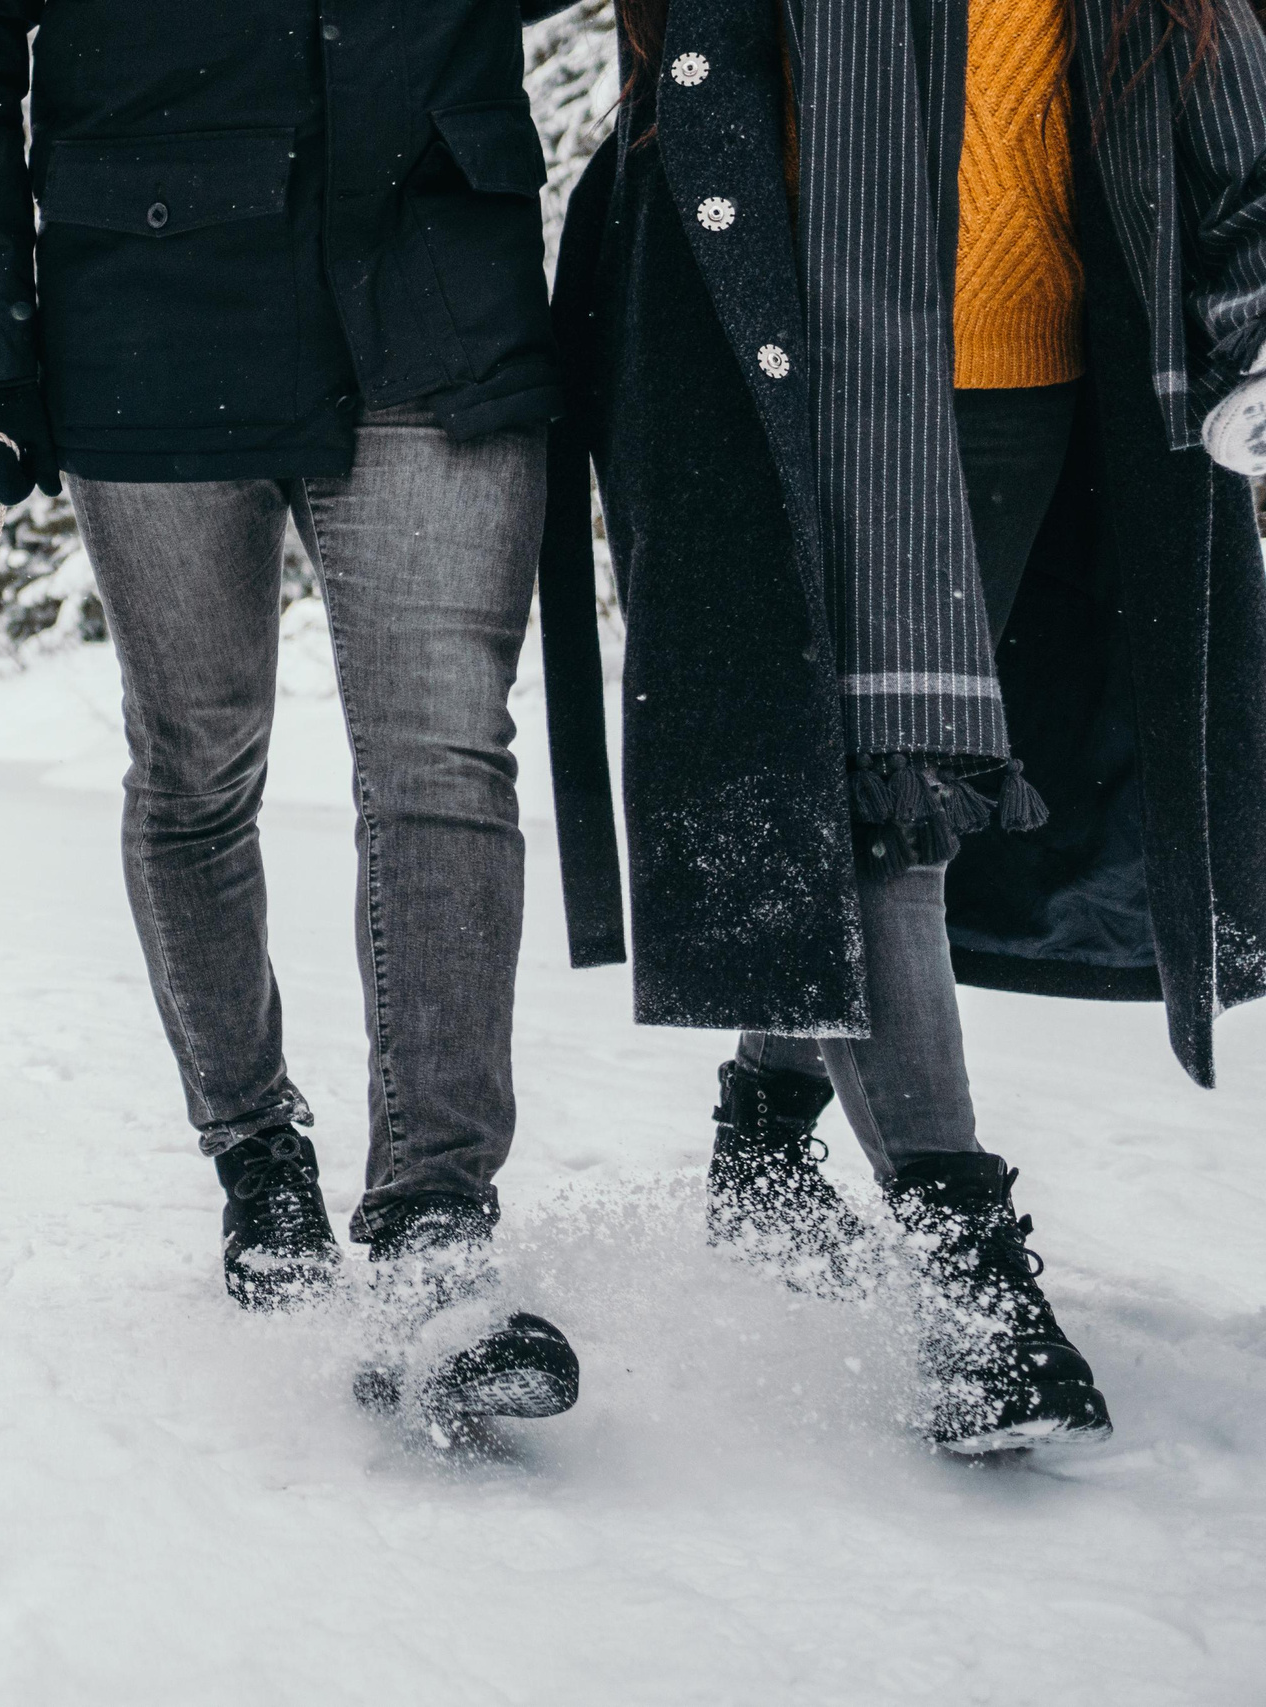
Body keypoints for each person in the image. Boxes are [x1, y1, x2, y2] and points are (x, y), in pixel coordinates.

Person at [540, 0, 1266, 1453]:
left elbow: (1236, 149)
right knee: (892, 791)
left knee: (874, 784)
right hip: (813, 383)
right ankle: (969, 1274)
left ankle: (764, 1129)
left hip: (1051, 389)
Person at [0, 0, 585, 1422]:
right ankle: (257, 1152)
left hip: (434, 278)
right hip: (152, 295)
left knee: (446, 756)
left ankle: (433, 1226)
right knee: (198, 760)